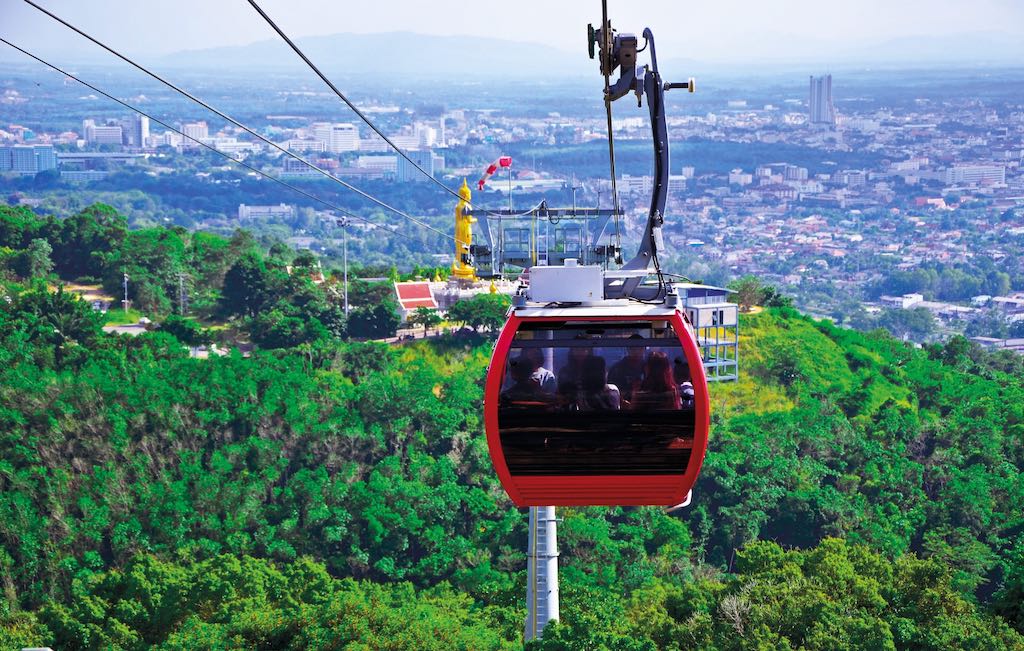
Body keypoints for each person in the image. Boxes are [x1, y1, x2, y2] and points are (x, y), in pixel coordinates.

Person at [608, 336, 646, 401]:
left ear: (644, 349)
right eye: (633, 348)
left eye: (640, 348)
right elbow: (611, 392)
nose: (636, 351)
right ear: (627, 349)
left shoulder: (649, 367)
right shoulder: (617, 369)